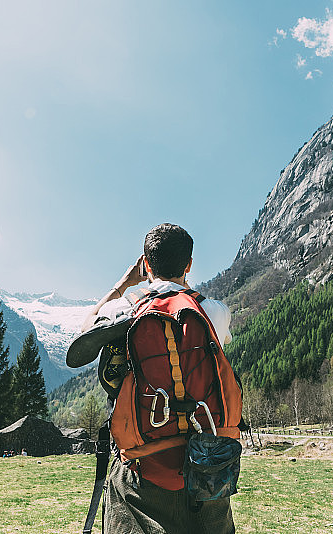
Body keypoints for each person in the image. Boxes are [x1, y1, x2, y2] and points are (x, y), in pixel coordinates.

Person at [80, 223, 235, 534]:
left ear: (146, 264)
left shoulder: (126, 309)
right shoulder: (213, 312)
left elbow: (84, 333)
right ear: (189, 265)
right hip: (209, 464)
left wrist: (124, 283)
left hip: (143, 467)